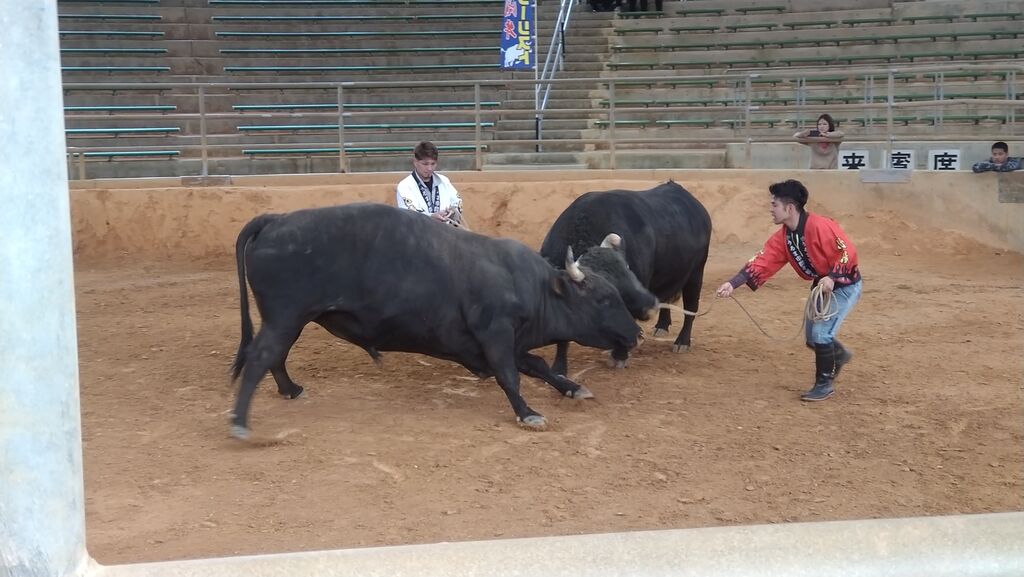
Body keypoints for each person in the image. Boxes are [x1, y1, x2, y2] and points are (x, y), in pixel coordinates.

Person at [716, 180, 862, 402]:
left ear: (790, 208)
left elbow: (846, 250)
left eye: (774, 205)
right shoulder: (784, 237)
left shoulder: (820, 225)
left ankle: (824, 385)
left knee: (820, 334)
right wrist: (733, 283)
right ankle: (838, 355)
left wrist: (833, 277)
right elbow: (764, 259)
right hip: (822, 287)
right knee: (812, 339)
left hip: (844, 285)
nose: (771, 209)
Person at [396, 141, 465, 227]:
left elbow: (457, 202)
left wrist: (452, 212)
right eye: (425, 164)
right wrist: (431, 217)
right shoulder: (405, 186)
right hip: (419, 234)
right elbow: (410, 214)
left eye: (433, 164)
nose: (429, 168)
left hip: (444, 231)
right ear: (415, 162)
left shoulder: (444, 181)